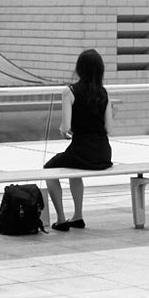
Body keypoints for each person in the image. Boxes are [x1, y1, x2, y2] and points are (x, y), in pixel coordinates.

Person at [44, 48, 112, 231]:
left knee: (49, 170)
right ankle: (78, 216)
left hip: (82, 150)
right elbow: (109, 128)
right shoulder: (103, 92)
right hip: (103, 154)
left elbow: (66, 128)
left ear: (79, 68)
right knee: (75, 171)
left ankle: (60, 219)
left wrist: (63, 130)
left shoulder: (69, 91)